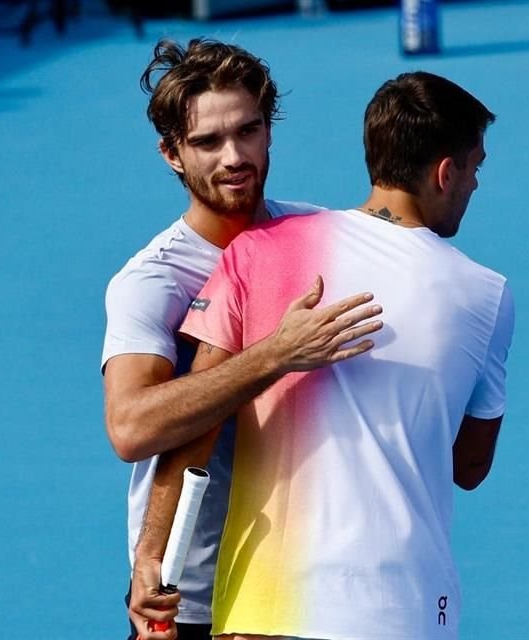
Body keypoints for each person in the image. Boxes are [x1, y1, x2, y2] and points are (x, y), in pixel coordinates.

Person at [131, 71, 515, 640]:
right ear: (444, 172)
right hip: (406, 613)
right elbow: (469, 468)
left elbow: (199, 425)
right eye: (475, 167)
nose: (475, 185)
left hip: (265, 609)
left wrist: (153, 555)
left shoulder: (258, 252)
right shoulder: (487, 294)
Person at [101, 38, 384, 640]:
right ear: (171, 155)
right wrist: (276, 354)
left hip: (318, 582)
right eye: (207, 142)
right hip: (194, 598)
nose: (234, 157)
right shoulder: (152, 282)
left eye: (247, 132)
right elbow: (132, 428)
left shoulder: (319, 236)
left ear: (269, 131)